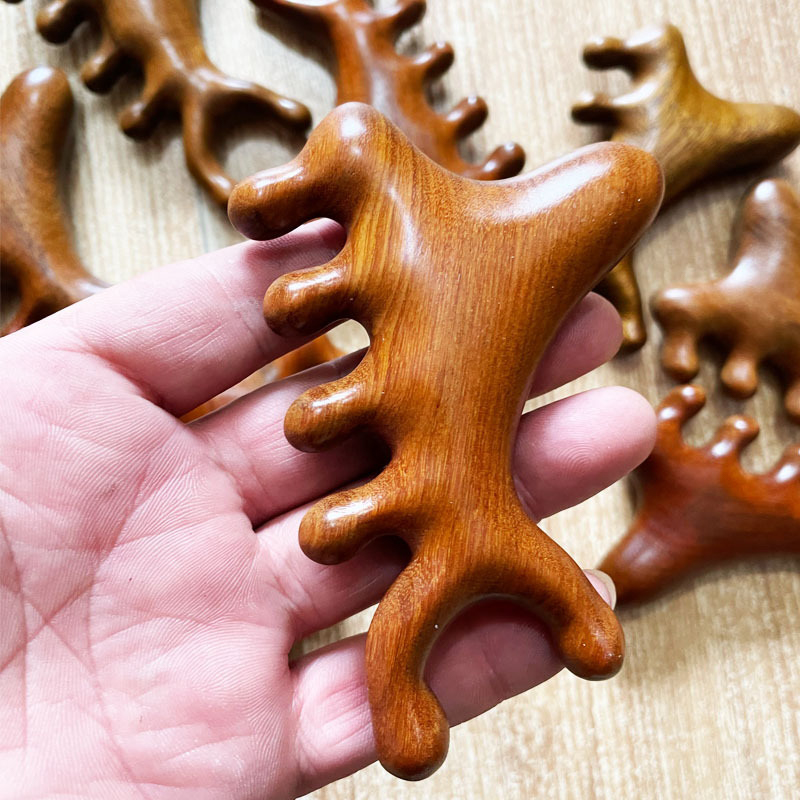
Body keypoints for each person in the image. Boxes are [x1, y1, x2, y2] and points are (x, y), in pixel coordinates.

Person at [0, 219, 655, 799]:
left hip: (444, 489)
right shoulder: (403, 247)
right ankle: (486, 662)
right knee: (424, 591)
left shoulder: (427, 246)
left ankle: (528, 641)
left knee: (426, 589)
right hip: (428, 491)